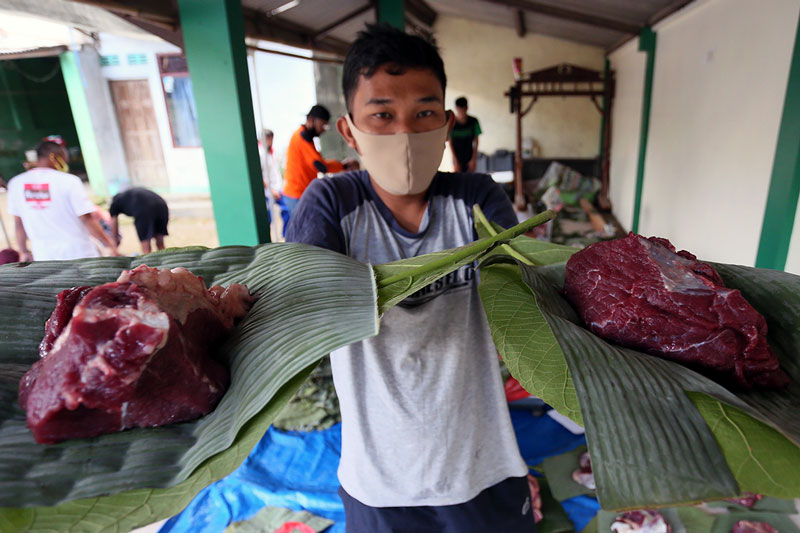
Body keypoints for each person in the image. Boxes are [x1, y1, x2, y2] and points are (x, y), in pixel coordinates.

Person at [286, 25, 536, 532]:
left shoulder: (477, 200)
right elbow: (301, 308)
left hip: (482, 467)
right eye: (382, 115)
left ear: (445, 124)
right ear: (349, 130)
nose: (404, 133)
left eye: (423, 114)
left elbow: (526, 299)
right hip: (379, 481)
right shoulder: (332, 204)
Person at [7, 139, 119, 261]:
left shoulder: (16, 183)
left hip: (44, 257)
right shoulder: (69, 181)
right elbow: (86, 218)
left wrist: (23, 251)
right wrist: (110, 245)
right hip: (79, 254)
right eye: (64, 159)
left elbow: (18, 223)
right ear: (53, 157)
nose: (65, 164)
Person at [281, 105, 357, 221]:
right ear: (311, 120)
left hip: (299, 194)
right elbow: (321, 166)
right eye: (322, 124)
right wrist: (344, 165)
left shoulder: (305, 138)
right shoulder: (302, 138)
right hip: (296, 195)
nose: (323, 129)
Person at [109, 187, 169, 255]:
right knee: (160, 244)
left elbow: (114, 226)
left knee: (146, 248)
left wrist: (114, 244)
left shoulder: (114, 203)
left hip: (143, 206)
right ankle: (165, 261)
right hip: (161, 204)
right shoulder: (127, 195)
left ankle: (148, 260)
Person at [448, 96, 482, 172]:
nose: (462, 112)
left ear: (466, 108)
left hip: (469, 156)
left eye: (463, 109)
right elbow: (450, 143)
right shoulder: (451, 123)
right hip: (457, 157)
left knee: (470, 179)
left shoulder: (473, 121)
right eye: (460, 110)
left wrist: (473, 159)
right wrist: (455, 161)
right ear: (456, 108)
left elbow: (476, 141)